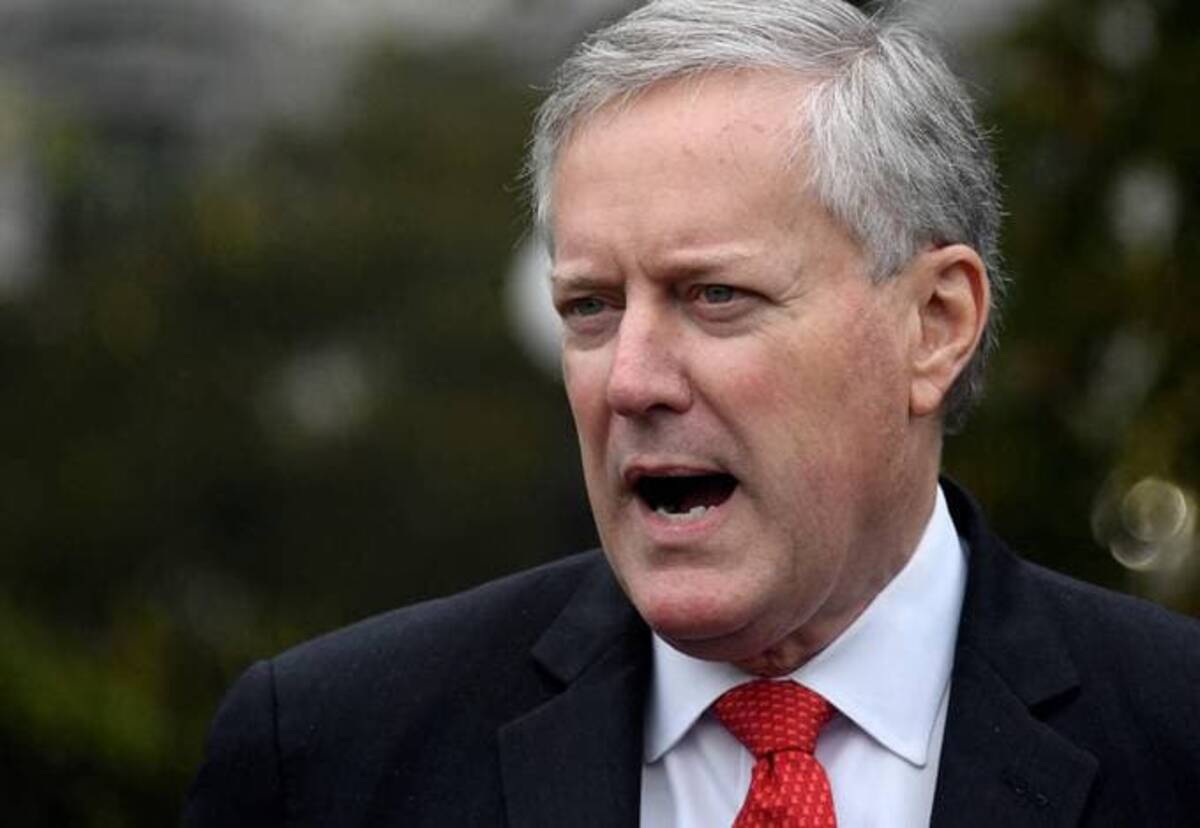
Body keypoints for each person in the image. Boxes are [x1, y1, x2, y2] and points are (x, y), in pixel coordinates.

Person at [184, 1, 1200, 825]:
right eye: (591, 307)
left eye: (714, 297)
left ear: (935, 323)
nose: (630, 381)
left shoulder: (1170, 733)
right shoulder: (326, 754)